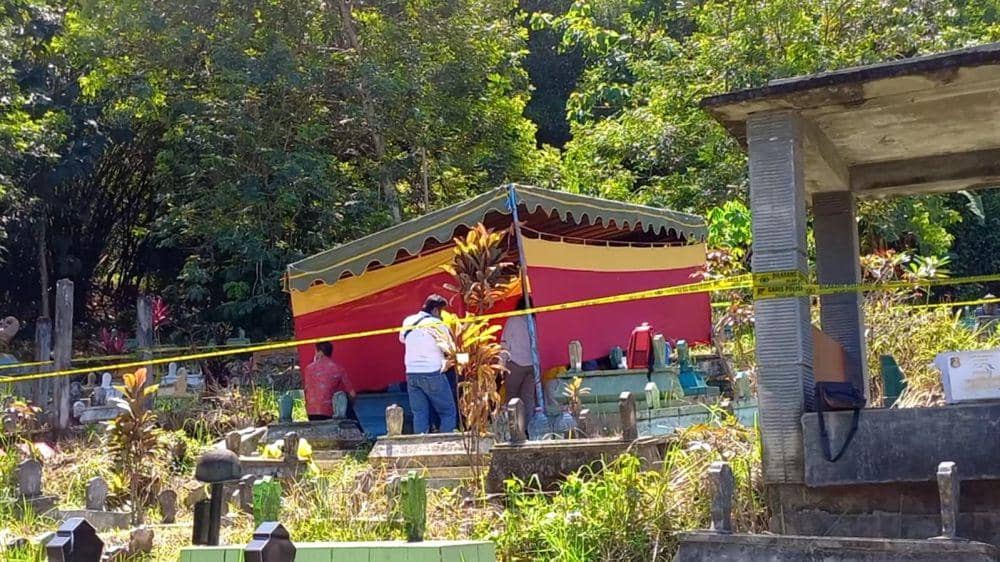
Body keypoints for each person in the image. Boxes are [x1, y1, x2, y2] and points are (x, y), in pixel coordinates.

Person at [400, 294, 457, 434]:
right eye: (441, 312)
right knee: (447, 412)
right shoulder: (438, 324)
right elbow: (450, 348)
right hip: (433, 373)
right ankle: (444, 443)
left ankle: (421, 444)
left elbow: (403, 339)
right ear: (436, 310)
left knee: (420, 414)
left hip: (411, 374)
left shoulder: (408, 321)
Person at [501, 296, 537, 417]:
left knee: (511, 398)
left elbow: (505, 343)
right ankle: (528, 425)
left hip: (515, 364)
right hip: (532, 364)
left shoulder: (513, 320)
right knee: (528, 399)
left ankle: (512, 425)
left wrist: (501, 365)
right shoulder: (535, 321)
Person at [302, 341, 355, 421]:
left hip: (311, 412)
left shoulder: (308, 369)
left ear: (320, 352)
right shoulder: (338, 368)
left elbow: (307, 390)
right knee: (343, 400)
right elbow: (352, 394)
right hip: (329, 412)